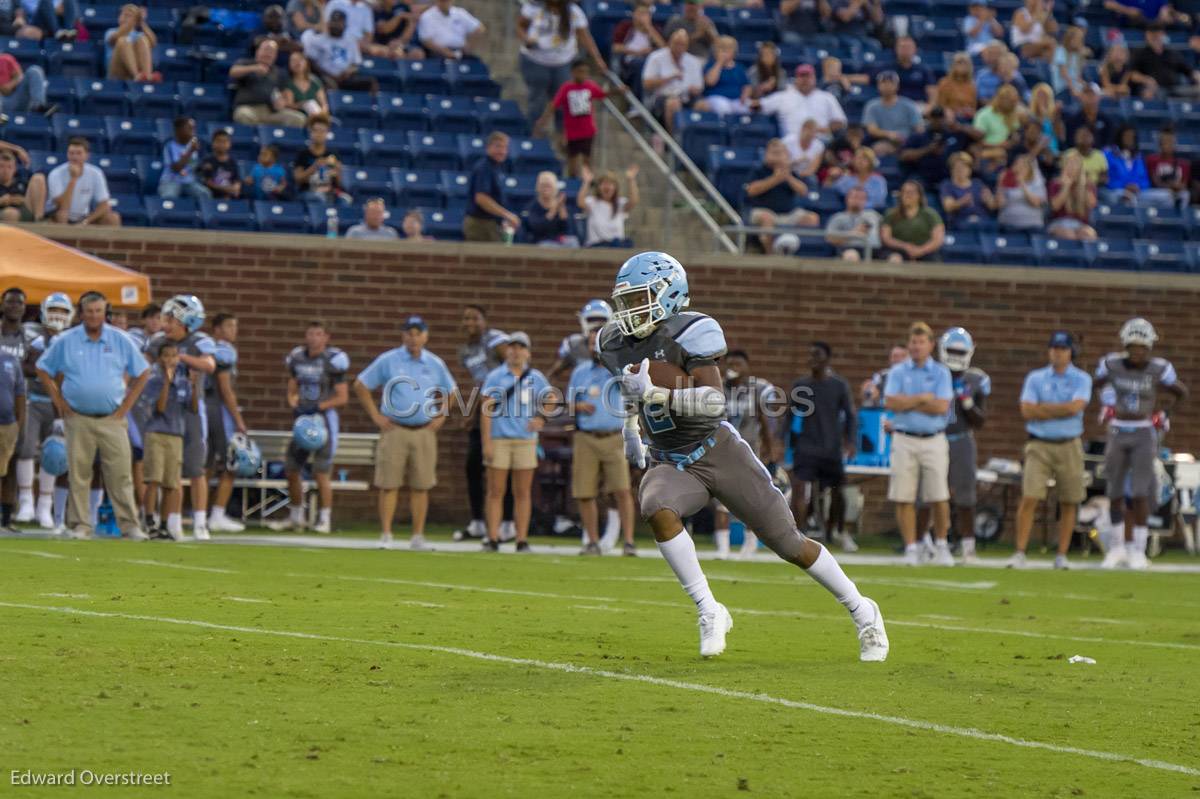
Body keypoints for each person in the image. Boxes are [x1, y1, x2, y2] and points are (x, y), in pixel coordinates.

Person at [597, 251, 888, 660]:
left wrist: (656, 394)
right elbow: (630, 389)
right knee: (656, 506)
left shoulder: (691, 331)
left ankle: (863, 611)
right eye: (625, 301)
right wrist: (630, 426)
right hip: (670, 458)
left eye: (638, 298)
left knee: (789, 544)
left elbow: (714, 403)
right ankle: (709, 609)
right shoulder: (613, 342)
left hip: (716, 449)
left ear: (668, 294)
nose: (629, 311)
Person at [35, 291, 148, 541]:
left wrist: (125, 407)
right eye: (89, 311)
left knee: (120, 473)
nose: (94, 316)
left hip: (113, 417)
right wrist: (59, 401)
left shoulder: (120, 339)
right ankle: (80, 525)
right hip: (78, 417)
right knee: (78, 473)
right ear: (81, 313)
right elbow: (43, 368)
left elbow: (143, 372)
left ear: (104, 312)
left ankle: (130, 526)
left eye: (98, 311)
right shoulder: (66, 340)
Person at [355, 315, 456, 551]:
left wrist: (442, 415)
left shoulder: (434, 363)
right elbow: (361, 385)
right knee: (389, 483)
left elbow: (451, 390)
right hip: (395, 429)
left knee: (421, 485)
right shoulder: (389, 360)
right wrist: (375, 416)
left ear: (425, 336)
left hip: (423, 430)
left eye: (418, 333)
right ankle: (386, 534)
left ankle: (418, 535)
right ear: (403, 336)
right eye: (409, 333)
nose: (413, 338)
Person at [1094, 319, 1187, 569]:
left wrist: (1165, 414)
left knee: (1139, 492)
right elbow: (1097, 384)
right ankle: (1116, 548)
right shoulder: (1111, 364)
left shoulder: (1159, 368)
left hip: (1144, 431)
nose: (1138, 352)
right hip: (1117, 429)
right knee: (1114, 490)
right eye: (1133, 346)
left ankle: (1138, 549)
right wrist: (1106, 403)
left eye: (1142, 347)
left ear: (1150, 347)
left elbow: (1180, 391)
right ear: (1126, 344)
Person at [1010, 330, 1092, 570]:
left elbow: (1076, 408)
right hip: (1039, 443)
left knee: (1069, 499)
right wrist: (1061, 409)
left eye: (1063, 349)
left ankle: (1061, 554)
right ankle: (1020, 552)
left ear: (1071, 352)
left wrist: (1043, 409)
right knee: (1030, 496)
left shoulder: (1081, 379)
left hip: (1069, 444)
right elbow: (1027, 410)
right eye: (1054, 348)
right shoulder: (1035, 378)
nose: (1057, 353)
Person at [144, 295, 217, 541]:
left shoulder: (199, 342)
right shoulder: (157, 342)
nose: (166, 323)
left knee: (196, 468)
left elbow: (209, 365)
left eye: (171, 318)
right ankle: (172, 521)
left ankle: (200, 522)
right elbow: (143, 368)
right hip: (166, 412)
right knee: (168, 473)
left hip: (192, 409)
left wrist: (178, 357)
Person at [269, 321, 350, 534]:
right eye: (310, 334)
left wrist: (318, 406)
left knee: (321, 472)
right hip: (303, 421)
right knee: (292, 468)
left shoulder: (333, 360)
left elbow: (342, 397)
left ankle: (324, 519)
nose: (314, 338)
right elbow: (292, 387)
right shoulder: (297, 357)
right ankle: (296, 516)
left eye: (318, 334)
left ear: (326, 337)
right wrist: (294, 402)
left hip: (323, 420)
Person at [883, 321, 953, 566]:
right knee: (903, 496)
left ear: (931, 345)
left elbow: (942, 406)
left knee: (938, 496)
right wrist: (923, 398)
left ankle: (942, 544)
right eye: (913, 342)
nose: (916, 346)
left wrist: (908, 402)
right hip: (904, 438)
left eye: (921, 342)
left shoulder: (941, 373)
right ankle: (911, 547)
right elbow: (891, 402)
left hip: (933, 438)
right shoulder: (898, 372)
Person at [480, 331, 552, 552]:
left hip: (525, 440)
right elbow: (485, 410)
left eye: (520, 347)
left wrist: (541, 417)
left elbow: (551, 399)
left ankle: (521, 539)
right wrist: (487, 442)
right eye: (512, 347)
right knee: (495, 490)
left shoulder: (535, 377)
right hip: (500, 438)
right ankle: (492, 537)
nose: (516, 351)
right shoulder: (495, 377)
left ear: (528, 353)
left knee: (523, 492)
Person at [568, 327, 635, 556]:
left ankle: (628, 542)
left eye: (597, 343)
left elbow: (631, 387)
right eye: (589, 343)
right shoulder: (580, 372)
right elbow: (569, 402)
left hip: (613, 436)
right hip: (586, 437)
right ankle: (592, 541)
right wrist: (578, 406)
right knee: (585, 492)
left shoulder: (616, 368)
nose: (593, 347)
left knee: (622, 490)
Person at [787, 342, 857, 553]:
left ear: (827, 359)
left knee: (839, 491)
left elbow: (850, 416)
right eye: (810, 355)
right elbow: (789, 417)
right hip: (807, 447)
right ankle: (798, 535)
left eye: (817, 355)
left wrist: (850, 441)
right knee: (799, 488)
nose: (813, 359)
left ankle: (838, 531)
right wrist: (783, 442)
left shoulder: (839, 385)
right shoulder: (801, 385)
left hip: (831, 448)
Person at [716, 350, 784, 558]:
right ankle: (723, 548)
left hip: (749, 451)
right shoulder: (717, 387)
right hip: (722, 451)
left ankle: (750, 542)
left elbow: (768, 419)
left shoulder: (760, 388)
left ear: (748, 366)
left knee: (751, 499)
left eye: (738, 364)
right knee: (720, 498)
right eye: (730, 364)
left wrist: (770, 447)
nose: (733, 368)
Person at [15, 292, 70, 528]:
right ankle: (26, 500)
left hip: (60, 403)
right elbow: (25, 366)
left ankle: (45, 505)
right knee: (26, 449)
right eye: (53, 310)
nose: (57, 316)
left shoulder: (72, 339)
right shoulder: (33, 336)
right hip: (34, 398)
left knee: (54, 453)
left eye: (62, 311)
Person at [935, 327, 989, 564]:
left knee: (966, 496)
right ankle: (935, 543)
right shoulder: (933, 374)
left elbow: (980, 421)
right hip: (935, 438)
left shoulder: (976, 379)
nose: (956, 355)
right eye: (952, 350)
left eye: (960, 350)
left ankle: (968, 546)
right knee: (933, 496)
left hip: (961, 439)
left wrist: (966, 402)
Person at [456, 305, 510, 542]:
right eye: (466, 318)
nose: (470, 323)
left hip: (505, 411)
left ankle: (508, 522)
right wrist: (471, 410)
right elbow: (480, 383)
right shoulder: (466, 350)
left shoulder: (495, 340)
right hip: (484, 411)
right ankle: (478, 521)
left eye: (475, 318)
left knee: (504, 469)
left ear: (484, 321)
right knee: (473, 467)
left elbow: (511, 369)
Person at [141, 340, 197, 541]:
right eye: (166, 356)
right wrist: (167, 380)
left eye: (174, 356)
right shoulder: (155, 380)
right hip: (156, 433)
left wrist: (193, 384)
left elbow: (193, 409)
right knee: (154, 479)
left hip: (176, 434)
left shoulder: (183, 380)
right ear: (159, 359)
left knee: (170, 483)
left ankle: (164, 524)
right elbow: (161, 407)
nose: (170, 360)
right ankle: (149, 520)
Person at [517, 0, 603, 131]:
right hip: (536, 60)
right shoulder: (533, 8)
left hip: (563, 62)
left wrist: (598, 59)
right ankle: (532, 135)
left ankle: (563, 136)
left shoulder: (574, 12)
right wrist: (526, 38)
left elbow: (585, 37)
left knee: (563, 102)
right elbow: (520, 26)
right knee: (537, 102)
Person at [204, 313, 249, 534]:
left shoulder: (206, 347)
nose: (234, 330)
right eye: (229, 326)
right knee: (232, 463)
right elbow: (226, 389)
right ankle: (217, 514)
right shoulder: (224, 351)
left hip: (206, 411)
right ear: (217, 329)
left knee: (207, 465)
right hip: (219, 413)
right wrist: (238, 419)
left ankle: (200, 514)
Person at [745, 139, 819, 254]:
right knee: (766, 218)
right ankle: (771, 255)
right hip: (764, 212)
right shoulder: (759, 170)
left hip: (789, 214)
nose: (777, 156)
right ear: (766, 154)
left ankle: (801, 253)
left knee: (812, 218)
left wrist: (787, 176)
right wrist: (775, 178)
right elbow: (751, 190)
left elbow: (803, 191)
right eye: (773, 153)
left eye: (780, 153)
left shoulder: (791, 172)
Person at [536, 59, 606, 176]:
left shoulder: (590, 85)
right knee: (572, 159)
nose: (583, 75)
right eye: (580, 72)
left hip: (588, 130)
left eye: (585, 72)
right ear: (573, 72)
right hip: (572, 131)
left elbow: (602, 94)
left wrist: (619, 91)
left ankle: (588, 180)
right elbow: (554, 105)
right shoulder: (566, 88)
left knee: (587, 157)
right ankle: (572, 181)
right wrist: (543, 120)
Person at [757, 64, 847, 140]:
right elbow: (758, 106)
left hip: (820, 142)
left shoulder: (827, 97)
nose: (805, 80)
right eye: (802, 76)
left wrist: (825, 129)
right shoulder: (783, 96)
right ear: (796, 78)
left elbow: (841, 121)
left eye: (808, 76)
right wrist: (758, 90)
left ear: (814, 78)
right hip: (791, 144)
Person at [641, 29, 704, 134]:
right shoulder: (656, 57)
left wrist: (693, 90)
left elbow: (699, 88)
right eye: (676, 43)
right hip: (662, 98)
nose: (679, 47)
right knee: (673, 103)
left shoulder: (694, 61)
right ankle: (674, 139)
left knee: (703, 105)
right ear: (670, 42)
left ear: (687, 46)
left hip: (687, 97)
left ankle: (693, 139)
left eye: (682, 45)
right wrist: (669, 78)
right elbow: (646, 84)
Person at [231, 40, 306, 128]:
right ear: (258, 51)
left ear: (275, 56)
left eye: (272, 52)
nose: (268, 54)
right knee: (243, 115)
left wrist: (281, 102)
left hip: (270, 111)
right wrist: (254, 68)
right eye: (266, 50)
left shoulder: (280, 73)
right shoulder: (246, 63)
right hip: (249, 108)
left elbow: (283, 95)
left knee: (298, 118)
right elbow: (233, 72)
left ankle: (279, 140)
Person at [46, 137, 120, 226]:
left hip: (83, 216)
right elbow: (60, 205)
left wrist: (86, 221)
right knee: (62, 214)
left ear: (87, 155)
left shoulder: (96, 173)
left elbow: (104, 204)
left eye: (79, 153)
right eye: (71, 153)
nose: (74, 157)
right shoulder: (56, 173)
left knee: (113, 217)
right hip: (57, 214)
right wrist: (73, 179)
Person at [302, 9, 377, 94]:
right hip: (325, 76)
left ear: (345, 25)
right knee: (327, 84)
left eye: (339, 23)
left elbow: (356, 63)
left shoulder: (351, 41)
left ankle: (373, 106)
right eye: (334, 22)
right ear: (329, 23)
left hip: (345, 77)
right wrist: (329, 76)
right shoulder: (318, 40)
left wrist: (347, 72)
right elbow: (311, 62)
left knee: (371, 82)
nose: (336, 25)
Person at [463, 131, 520, 242]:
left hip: (490, 224)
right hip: (480, 225)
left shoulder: (496, 168)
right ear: (488, 148)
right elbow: (481, 198)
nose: (502, 151)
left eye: (505, 147)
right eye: (498, 146)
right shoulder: (484, 168)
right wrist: (507, 215)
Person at [899, 106, 971, 187]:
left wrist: (960, 127)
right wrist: (928, 150)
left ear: (945, 119)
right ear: (929, 119)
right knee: (912, 184)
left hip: (948, 177)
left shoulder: (954, 134)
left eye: (940, 118)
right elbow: (903, 156)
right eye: (935, 118)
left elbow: (980, 136)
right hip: (923, 176)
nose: (938, 121)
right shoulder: (919, 135)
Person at [1104, 123, 1172, 206]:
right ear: (1120, 137)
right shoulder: (1109, 155)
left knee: (1167, 196)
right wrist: (1124, 186)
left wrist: (1138, 186)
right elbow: (1106, 180)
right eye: (1127, 136)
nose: (1130, 139)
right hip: (1118, 191)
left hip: (1139, 192)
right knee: (1127, 197)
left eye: (1132, 137)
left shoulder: (1138, 157)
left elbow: (1145, 180)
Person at [293, 113, 349, 207]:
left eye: (322, 131)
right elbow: (298, 179)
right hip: (309, 191)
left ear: (327, 133)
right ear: (310, 132)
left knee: (345, 200)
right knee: (319, 198)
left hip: (329, 191)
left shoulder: (333, 155)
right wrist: (315, 167)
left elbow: (339, 182)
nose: (319, 134)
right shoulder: (303, 154)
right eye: (316, 131)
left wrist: (338, 170)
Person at [862, 70, 923, 156]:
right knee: (879, 148)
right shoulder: (872, 106)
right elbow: (872, 129)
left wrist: (910, 141)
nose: (887, 86)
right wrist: (890, 135)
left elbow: (919, 129)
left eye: (891, 83)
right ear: (878, 86)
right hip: (885, 141)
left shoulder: (909, 105)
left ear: (897, 86)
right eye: (883, 83)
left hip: (907, 142)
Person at [578, 164, 639, 248]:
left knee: (627, 243)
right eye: (603, 183)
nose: (607, 186)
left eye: (610, 184)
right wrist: (586, 182)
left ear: (615, 188)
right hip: (596, 246)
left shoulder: (619, 203)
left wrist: (631, 180)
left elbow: (633, 201)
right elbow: (580, 202)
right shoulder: (592, 202)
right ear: (598, 187)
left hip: (616, 246)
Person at [881, 181, 944, 262]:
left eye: (911, 192)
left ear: (919, 195)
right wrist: (905, 246)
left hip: (925, 251)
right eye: (904, 192)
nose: (907, 195)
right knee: (894, 258)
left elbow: (938, 239)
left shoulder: (931, 214)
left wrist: (920, 250)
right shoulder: (890, 214)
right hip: (897, 250)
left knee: (933, 261)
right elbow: (886, 238)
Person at [1132, 26, 1200, 97]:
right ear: (1147, 35)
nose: (1156, 37)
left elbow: (1188, 70)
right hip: (1154, 89)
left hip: (1175, 88)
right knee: (1149, 93)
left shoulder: (1171, 52)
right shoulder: (1140, 53)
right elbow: (1132, 75)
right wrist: (1146, 79)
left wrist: (1197, 76)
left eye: (1158, 34)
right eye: (1153, 35)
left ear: (1163, 34)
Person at [1047, 150, 1099, 240]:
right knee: (1069, 235)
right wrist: (1067, 185)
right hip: (1059, 223)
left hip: (1080, 224)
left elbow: (1092, 204)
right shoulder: (1055, 183)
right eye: (1069, 163)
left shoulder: (1087, 185)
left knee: (1090, 235)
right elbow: (1055, 206)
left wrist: (1084, 186)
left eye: (1075, 164)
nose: (1072, 167)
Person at [612, 0, 664, 86]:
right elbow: (615, 47)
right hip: (629, 59)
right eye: (640, 13)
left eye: (645, 14)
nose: (642, 17)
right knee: (641, 64)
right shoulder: (625, 26)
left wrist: (649, 27)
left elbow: (663, 47)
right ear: (634, 14)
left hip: (649, 59)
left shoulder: (654, 29)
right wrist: (637, 52)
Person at [696, 35, 751, 116]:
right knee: (724, 108)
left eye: (728, 48)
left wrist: (745, 95)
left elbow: (747, 86)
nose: (725, 51)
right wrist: (720, 63)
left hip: (737, 99)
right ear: (715, 50)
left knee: (747, 109)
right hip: (716, 98)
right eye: (722, 48)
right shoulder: (711, 65)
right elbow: (710, 82)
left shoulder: (740, 68)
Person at [157, 117, 210, 202]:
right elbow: (176, 168)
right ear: (178, 130)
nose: (193, 132)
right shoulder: (169, 146)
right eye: (189, 128)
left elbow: (196, 166)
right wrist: (190, 151)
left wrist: (204, 167)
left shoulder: (196, 145)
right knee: (168, 199)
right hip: (171, 181)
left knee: (205, 194)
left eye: (193, 128)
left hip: (189, 182)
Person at [940, 151, 997, 228]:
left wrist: (989, 200)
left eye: (964, 167)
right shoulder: (947, 185)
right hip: (960, 221)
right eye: (957, 167)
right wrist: (961, 202)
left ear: (969, 170)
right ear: (951, 169)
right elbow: (948, 206)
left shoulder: (978, 183)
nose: (961, 170)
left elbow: (992, 206)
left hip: (982, 220)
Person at [972, 84, 1023, 169]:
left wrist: (1014, 139)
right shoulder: (984, 114)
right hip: (986, 151)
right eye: (1011, 101)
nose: (1014, 105)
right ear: (1001, 99)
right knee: (999, 153)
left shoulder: (1012, 115)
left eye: (1014, 101)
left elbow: (1014, 136)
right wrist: (998, 145)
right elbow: (977, 142)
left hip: (1007, 152)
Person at [824, 186, 881, 261]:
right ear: (847, 199)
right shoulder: (838, 217)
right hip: (850, 249)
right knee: (851, 255)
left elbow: (886, 230)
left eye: (861, 198)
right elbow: (829, 238)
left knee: (895, 258)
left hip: (875, 250)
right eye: (855, 197)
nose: (857, 201)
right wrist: (854, 233)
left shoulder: (874, 215)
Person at [523, 171, 578, 247]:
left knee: (573, 241)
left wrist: (561, 208)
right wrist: (553, 210)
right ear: (538, 187)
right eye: (543, 185)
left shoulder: (561, 204)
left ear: (555, 188)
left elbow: (567, 229)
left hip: (560, 241)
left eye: (548, 185)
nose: (546, 188)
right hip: (541, 241)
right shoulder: (532, 206)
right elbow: (537, 228)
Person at [418, 0, 484, 60]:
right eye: (442, 1)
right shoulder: (427, 16)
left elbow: (479, 28)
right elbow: (426, 41)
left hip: (460, 51)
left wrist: (469, 46)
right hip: (437, 53)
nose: (445, 3)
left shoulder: (460, 13)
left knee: (478, 64)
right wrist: (447, 53)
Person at [105, 4, 156, 82]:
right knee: (123, 41)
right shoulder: (111, 32)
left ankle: (147, 76)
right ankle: (136, 75)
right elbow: (112, 40)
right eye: (125, 15)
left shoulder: (138, 35)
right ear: (119, 17)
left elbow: (153, 42)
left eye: (130, 16)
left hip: (136, 71)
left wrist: (141, 22)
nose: (127, 18)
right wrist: (132, 22)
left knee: (143, 40)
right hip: (116, 73)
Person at [995, 153, 1047, 230]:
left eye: (1023, 166)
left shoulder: (1037, 184)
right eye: (1017, 165)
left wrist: (1022, 184)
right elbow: (1000, 204)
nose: (1019, 168)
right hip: (1009, 226)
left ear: (1029, 169)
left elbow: (1036, 203)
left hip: (1032, 227)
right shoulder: (1007, 184)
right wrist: (1000, 183)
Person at [1145, 126, 1191, 207]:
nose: (1167, 144)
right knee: (1168, 196)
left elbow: (1184, 184)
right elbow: (1155, 182)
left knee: (1185, 195)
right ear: (1159, 143)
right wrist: (1170, 187)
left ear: (1174, 143)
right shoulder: (1152, 160)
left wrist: (1179, 187)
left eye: (1170, 141)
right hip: (1158, 192)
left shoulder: (1183, 164)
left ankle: (1180, 218)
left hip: (1176, 192)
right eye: (1164, 141)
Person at [281, 49, 330, 121]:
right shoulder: (288, 83)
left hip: (316, 115)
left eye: (300, 60)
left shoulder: (315, 81)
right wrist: (303, 105)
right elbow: (289, 105)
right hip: (298, 116)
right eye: (293, 60)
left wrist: (322, 115)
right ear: (289, 64)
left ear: (306, 62)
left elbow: (324, 104)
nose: (297, 63)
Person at [1064, 82, 1114, 149]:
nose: (1090, 98)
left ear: (1099, 97)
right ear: (1081, 97)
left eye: (1093, 94)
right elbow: (1070, 144)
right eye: (1087, 94)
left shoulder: (1107, 121)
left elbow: (1109, 144)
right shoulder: (1072, 121)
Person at [0, 51, 51, 116]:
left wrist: (11, 84)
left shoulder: (5, 58)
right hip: (2, 103)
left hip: (15, 98)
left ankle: (39, 106)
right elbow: (4, 89)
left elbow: (20, 75)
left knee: (34, 71)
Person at [0, 148, 44, 222]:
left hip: (23, 210)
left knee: (39, 178)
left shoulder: (22, 181)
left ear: (15, 169)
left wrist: (21, 200)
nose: (5, 170)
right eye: (1, 166)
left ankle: (38, 220)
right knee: (11, 213)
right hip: (3, 212)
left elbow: (30, 199)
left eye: (9, 167)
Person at [197, 129, 241, 201]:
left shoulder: (233, 162)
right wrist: (226, 189)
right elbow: (208, 182)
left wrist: (235, 188)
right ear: (213, 143)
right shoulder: (207, 161)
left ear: (229, 144)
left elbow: (237, 181)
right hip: (213, 197)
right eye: (218, 141)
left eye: (225, 141)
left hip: (230, 197)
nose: (222, 144)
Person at [934, 52, 978, 121]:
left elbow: (974, 106)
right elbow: (940, 105)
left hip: (968, 117)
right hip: (950, 117)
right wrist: (951, 111)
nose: (962, 66)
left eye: (965, 63)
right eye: (959, 63)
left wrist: (969, 111)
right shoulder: (945, 83)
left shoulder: (972, 85)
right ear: (953, 65)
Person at [892, 36, 936, 105]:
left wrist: (929, 107)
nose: (905, 50)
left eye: (908, 47)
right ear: (896, 49)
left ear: (915, 49)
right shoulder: (888, 69)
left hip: (919, 105)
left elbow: (932, 92)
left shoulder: (924, 69)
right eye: (902, 47)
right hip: (895, 105)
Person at [1051, 25, 1088, 98]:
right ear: (1069, 39)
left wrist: (1086, 86)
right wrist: (1073, 89)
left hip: (1074, 86)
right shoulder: (1061, 51)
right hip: (1063, 88)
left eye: (1080, 40)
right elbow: (1064, 74)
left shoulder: (1077, 55)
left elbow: (1078, 77)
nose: (1078, 42)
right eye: (1076, 39)